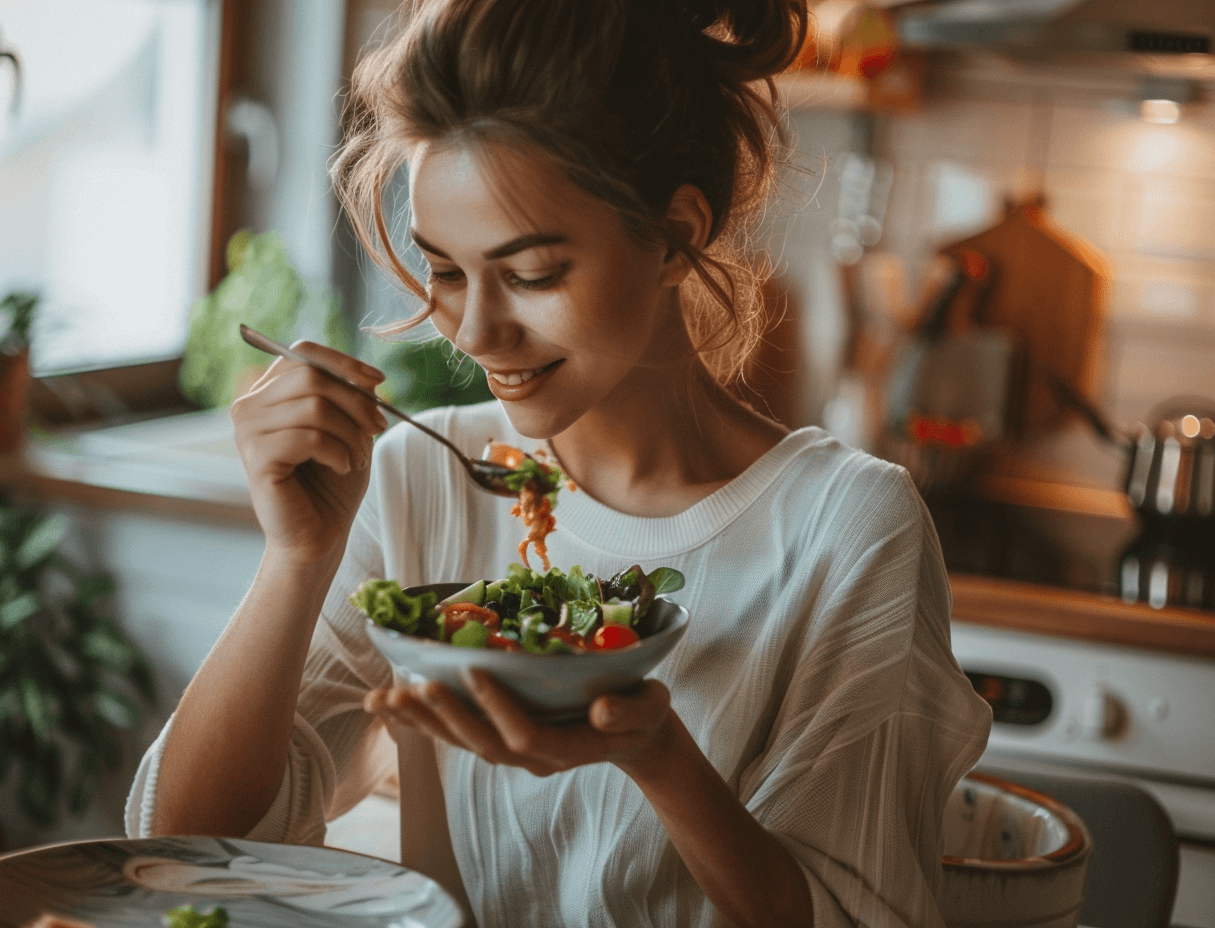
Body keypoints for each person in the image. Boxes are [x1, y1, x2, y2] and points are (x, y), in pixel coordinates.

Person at [127, 0, 992, 925]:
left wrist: (658, 756)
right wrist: (295, 559)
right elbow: (179, 853)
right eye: (447, 273)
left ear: (676, 234)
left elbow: (851, 917)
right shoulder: (424, 480)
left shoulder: (845, 528)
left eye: (534, 274)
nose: (474, 330)